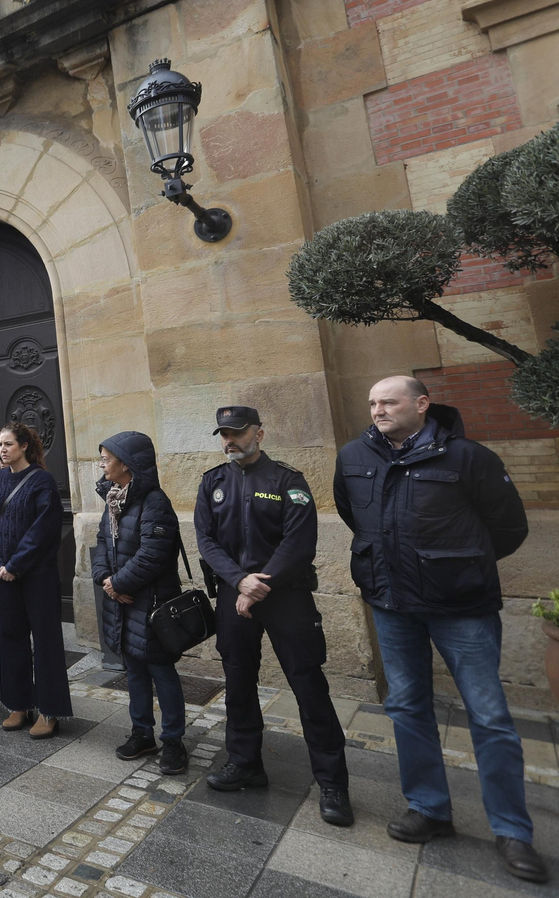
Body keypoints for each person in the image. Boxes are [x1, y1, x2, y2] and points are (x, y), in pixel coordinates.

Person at [334, 378, 545, 882]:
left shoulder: (468, 457)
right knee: (407, 705)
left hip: (461, 608)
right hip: (391, 604)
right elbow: (353, 515)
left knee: (489, 715)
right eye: (372, 403)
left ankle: (513, 830)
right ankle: (429, 808)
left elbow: (509, 527)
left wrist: (457, 566)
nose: (377, 409)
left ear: (421, 404)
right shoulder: (352, 455)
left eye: (388, 401)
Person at [195, 406, 352, 826]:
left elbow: (300, 543)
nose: (230, 440)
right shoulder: (213, 482)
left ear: (259, 434)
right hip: (234, 597)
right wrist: (239, 582)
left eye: (238, 433)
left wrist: (260, 585)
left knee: (308, 685)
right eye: (224, 434)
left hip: (287, 598)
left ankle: (333, 782)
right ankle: (245, 763)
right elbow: (206, 542)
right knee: (238, 682)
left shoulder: (287, 480)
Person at [92, 432, 188, 776]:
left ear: (126, 463)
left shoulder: (154, 501)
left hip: (151, 602)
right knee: (133, 670)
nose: (102, 465)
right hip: (124, 601)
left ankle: (174, 741)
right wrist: (106, 580)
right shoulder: (113, 498)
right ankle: (142, 733)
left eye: (106, 459)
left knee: (161, 671)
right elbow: (103, 541)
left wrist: (117, 583)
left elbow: (153, 555)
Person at [0, 423, 72, 738]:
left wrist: (16, 563)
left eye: (8, 444)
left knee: (46, 641)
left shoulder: (42, 481)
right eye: (0, 444)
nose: (2, 450)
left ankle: (49, 711)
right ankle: (18, 704)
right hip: (4, 573)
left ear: (23, 446)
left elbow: (43, 530)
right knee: (10, 638)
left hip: (37, 574)